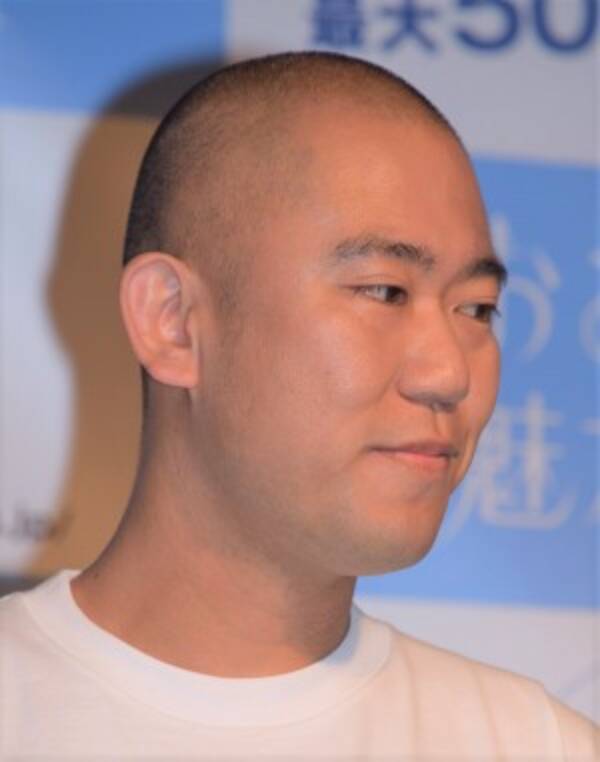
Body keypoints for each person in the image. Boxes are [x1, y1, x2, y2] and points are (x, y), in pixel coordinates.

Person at [1, 52, 598, 760]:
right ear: (174, 321)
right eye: (384, 292)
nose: (448, 374)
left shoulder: (535, 745)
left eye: (477, 308)